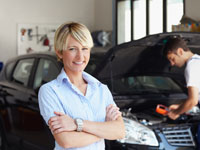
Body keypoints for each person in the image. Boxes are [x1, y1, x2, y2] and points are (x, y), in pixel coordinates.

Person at [38, 22, 125, 150]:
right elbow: (66, 140)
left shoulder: (101, 89)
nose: (80, 56)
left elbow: (120, 131)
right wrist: (104, 131)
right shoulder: (50, 91)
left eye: (85, 48)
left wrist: (76, 124)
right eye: (72, 49)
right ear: (60, 52)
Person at [163, 37, 200, 147]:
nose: (172, 63)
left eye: (172, 58)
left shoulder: (191, 67)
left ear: (180, 51)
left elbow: (192, 100)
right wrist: (180, 106)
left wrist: (176, 113)